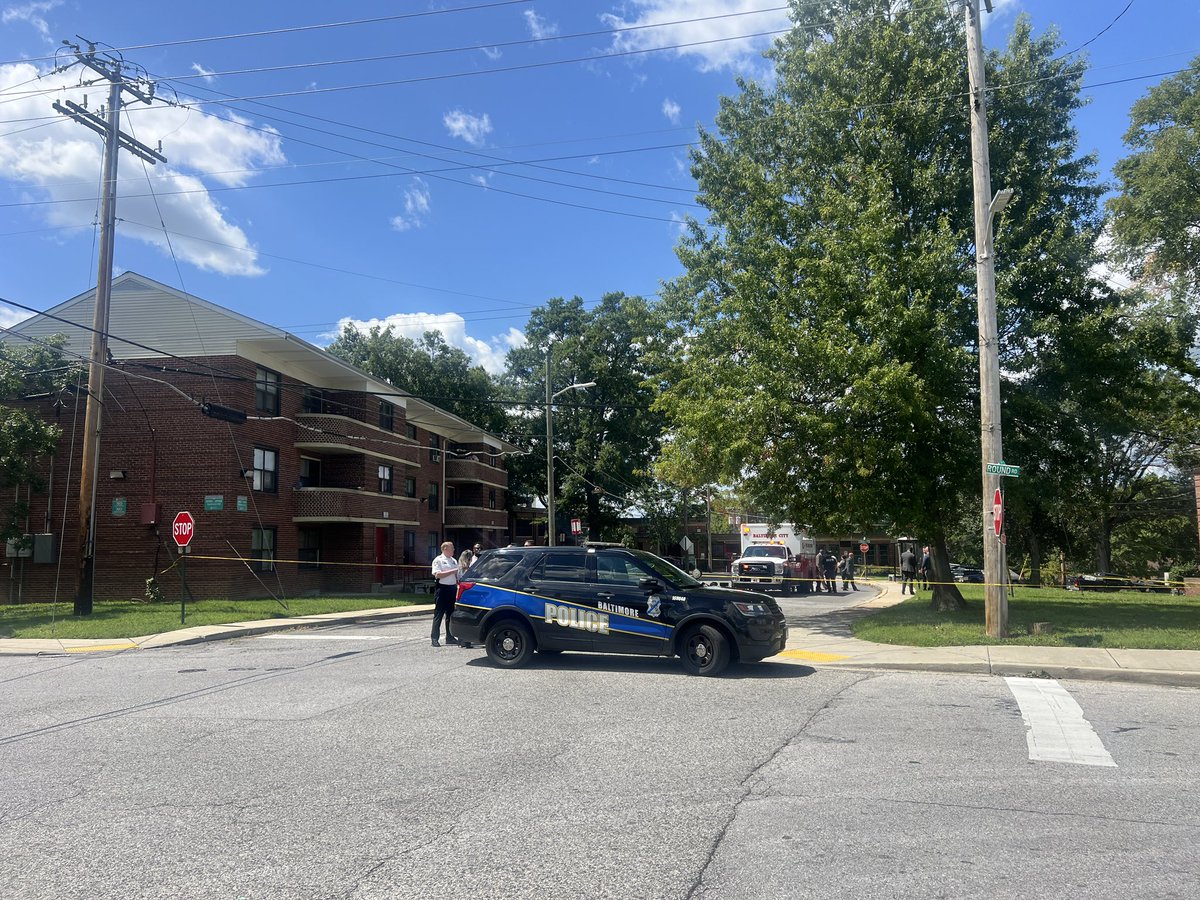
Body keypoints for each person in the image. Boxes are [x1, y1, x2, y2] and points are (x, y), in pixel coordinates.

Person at [431, 541, 467, 647]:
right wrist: (452, 571)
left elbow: (457, 575)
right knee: (439, 614)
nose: (453, 550)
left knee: (450, 615)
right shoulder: (438, 560)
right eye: (452, 548)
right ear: (445, 549)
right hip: (442, 589)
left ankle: (450, 637)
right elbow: (437, 575)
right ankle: (434, 638)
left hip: (452, 589)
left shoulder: (454, 561)